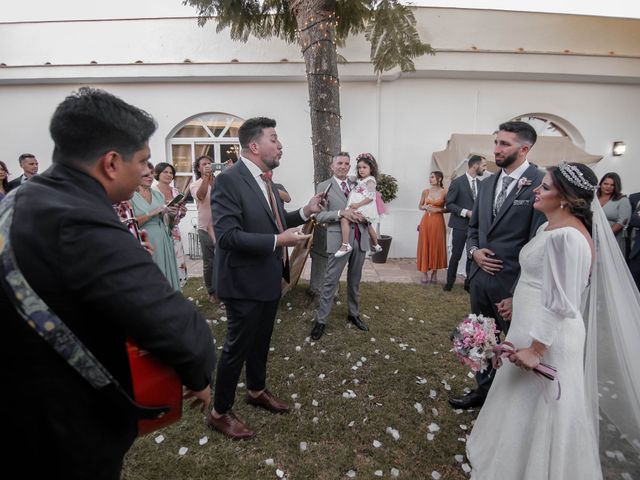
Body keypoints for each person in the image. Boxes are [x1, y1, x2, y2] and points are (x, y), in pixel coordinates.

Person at [0, 87, 215, 479]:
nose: (145, 172)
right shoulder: (81, 221)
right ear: (112, 162)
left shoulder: (23, 201)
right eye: (143, 161)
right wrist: (198, 372)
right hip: (63, 431)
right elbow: (175, 324)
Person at [466, 163, 625, 479]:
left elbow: (563, 303)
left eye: (546, 187)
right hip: (528, 323)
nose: (537, 189)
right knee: (519, 400)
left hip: (548, 336)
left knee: (542, 405)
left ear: (565, 198)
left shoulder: (568, 239)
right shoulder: (547, 229)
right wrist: (516, 299)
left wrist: (537, 350)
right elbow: (541, 280)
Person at [208, 116, 324, 439]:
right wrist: (279, 241)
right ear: (255, 146)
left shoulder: (266, 180)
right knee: (237, 347)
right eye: (275, 139)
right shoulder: (229, 180)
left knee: (261, 341)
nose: (281, 144)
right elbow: (228, 236)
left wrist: (304, 211)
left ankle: (256, 391)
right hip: (243, 282)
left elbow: (273, 219)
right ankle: (219, 412)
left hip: (268, 277)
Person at [449, 121, 546, 410]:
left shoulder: (540, 184)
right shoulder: (486, 182)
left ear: (524, 148)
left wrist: (517, 293)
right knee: (482, 340)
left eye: (504, 144)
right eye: (496, 143)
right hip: (480, 279)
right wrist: (475, 252)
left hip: (512, 287)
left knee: (515, 345)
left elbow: (537, 244)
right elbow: (475, 227)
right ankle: (482, 391)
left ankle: (512, 405)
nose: (497, 149)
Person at [309, 152, 371, 341]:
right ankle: (321, 320)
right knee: (330, 281)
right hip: (338, 240)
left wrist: (365, 215)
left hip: (360, 237)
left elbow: (371, 205)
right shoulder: (323, 186)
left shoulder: (358, 183)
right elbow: (319, 216)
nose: (343, 166)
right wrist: (339, 212)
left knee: (355, 280)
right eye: (340, 163)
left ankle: (353, 314)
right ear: (332, 166)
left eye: (346, 163)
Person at [131, 161, 181, 290]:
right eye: (145, 174)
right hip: (145, 241)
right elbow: (130, 223)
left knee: (166, 278)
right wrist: (152, 213)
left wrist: (171, 215)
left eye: (151, 174)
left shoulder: (158, 195)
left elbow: (167, 223)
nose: (150, 177)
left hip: (164, 239)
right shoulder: (130, 196)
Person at [443, 155, 487, 291]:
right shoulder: (457, 182)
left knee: (471, 256)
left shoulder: (482, 184)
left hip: (475, 228)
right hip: (459, 226)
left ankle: (469, 284)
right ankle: (449, 283)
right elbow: (449, 204)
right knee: (455, 255)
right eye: (484, 165)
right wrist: (466, 212)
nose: (485, 169)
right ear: (475, 165)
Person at [334, 153, 383, 257]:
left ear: (371, 169)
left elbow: (371, 197)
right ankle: (376, 245)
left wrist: (357, 205)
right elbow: (353, 180)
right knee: (369, 227)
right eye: (359, 167)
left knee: (344, 219)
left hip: (363, 207)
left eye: (365, 167)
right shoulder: (360, 180)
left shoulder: (370, 180)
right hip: (359, 207)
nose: (361, 170)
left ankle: (345, 244)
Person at [190, 155, 221, 305]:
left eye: (210, 163)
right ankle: (211, 291)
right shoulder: (196, 184)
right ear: (198, 168)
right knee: (209, 261)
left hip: (222, 226)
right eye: (204, 164)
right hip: (205, 226)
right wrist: (206, 178)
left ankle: (224, 289)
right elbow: (201, 196)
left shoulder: (220, 182)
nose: (208, 166)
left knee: (224, 259)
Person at [153, 162, 188, 287]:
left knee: (177, 260)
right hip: (159, 229)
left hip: (174, 230)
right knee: (162, 260)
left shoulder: (176, 191)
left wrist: (182, 211)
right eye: (165, 172)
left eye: (171, 173)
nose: (169, 175)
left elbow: (178, 215)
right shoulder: (153, 191)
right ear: (157, 174)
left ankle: (178, 287)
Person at [416, 171, 448, 284]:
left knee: (436, 245)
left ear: (439, 179)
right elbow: (419, 206)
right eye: (430, 177)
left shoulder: (445, 192)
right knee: (425, 244)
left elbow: (448, 208)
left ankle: (434, 273)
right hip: (426, 221)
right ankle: (424, 272)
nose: (430, 179)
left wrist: (439, 209)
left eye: (433, 177)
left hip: (438, 221)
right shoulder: (425, 191)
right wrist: (425, 207)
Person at [597, 172, 631, 253]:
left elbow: (622, 222)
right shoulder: (593, 198)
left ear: (616, 186)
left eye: (612, 185)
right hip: (592, 236)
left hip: (612, 238)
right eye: (606, 183)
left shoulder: (622, 200)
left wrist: (604, 236)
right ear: (601, 184)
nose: (608, 187)